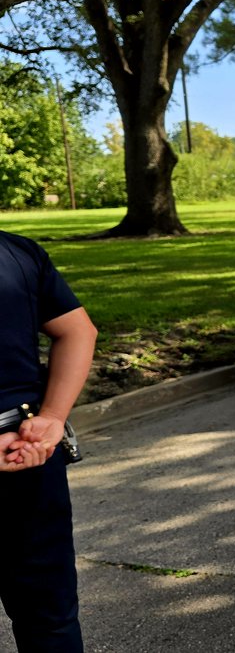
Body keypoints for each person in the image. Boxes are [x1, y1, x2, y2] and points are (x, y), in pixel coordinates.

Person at [1, 230, 97, 652]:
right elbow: (78, 330)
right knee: (50, 620)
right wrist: (52, 418)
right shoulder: (15, 251)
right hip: (32, 450)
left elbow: (78, 331)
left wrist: (54, 418)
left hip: (28, 451)